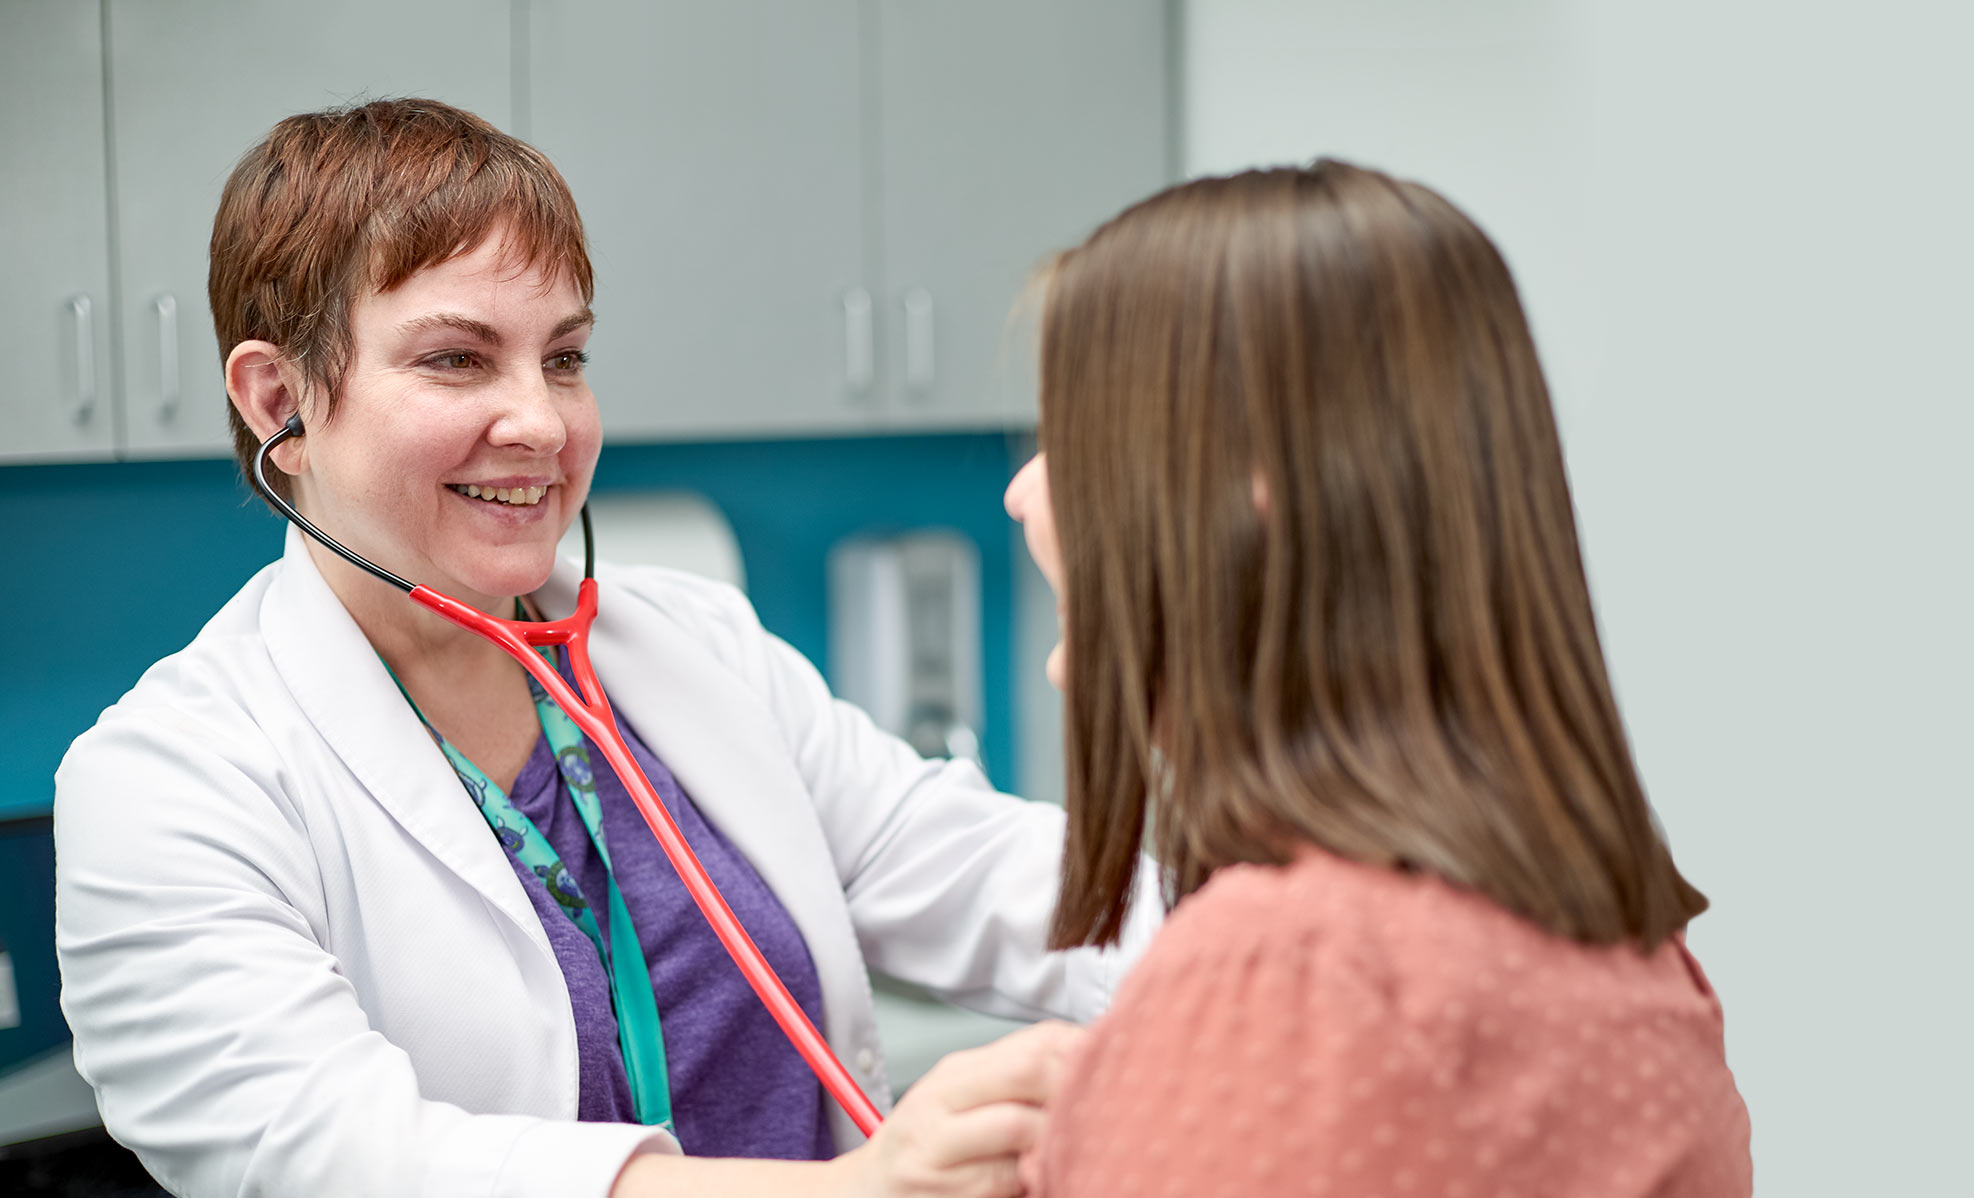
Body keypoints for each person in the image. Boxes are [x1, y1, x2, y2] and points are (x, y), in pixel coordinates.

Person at [53, 98, 1158, 1198]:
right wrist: (866, 1190)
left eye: (566, 357)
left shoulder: (689, 645)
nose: (541, 421)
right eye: (456, 359)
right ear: (279, 399)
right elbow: (348, 1157)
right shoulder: (167, 785)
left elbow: (983, 872)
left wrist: (1281, 934)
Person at [1002, 161, 1753, 1195]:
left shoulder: (1285, 975)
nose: (1022, 490)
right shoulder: (1621, 937)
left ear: (1246, 492)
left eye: (1070, 437)